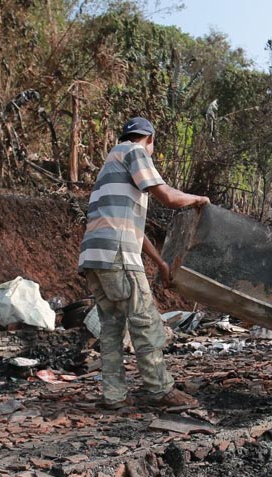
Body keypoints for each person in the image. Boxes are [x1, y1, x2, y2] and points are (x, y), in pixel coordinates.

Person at [79, 116, 209, 410]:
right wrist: (198, 199)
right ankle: (160, 390)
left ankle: (114, 396)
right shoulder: (135, 151)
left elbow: (133, 230)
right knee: (145, 322)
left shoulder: (110, 164)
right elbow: (168, 197)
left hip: (94, 257)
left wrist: (161, 263)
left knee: (111, 328)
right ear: (149, 139)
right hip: (117, 255)